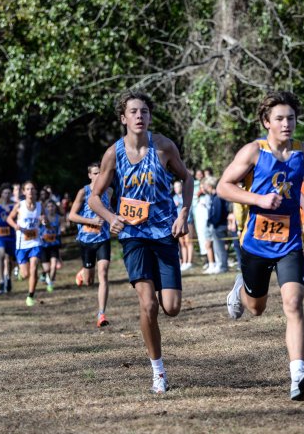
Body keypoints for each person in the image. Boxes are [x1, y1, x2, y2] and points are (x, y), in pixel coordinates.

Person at [218, 90, 304, 402]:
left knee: (293, 302)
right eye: (279, 118)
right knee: (256, 307)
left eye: (291, 117)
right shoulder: (253, 151)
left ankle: (297, 375)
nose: (286, 123)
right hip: (256, 243)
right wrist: (259, 199)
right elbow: (224, 186)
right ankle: (239, 290)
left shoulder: (303, 151)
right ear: (267, 122)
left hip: (290, 242)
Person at [88, 91, 193, 394]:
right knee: (148, 304)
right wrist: (110, 217)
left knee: (170, 307)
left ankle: (159, 359)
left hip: (164, 233)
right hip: (134, 235)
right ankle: (158, 371)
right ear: (123, 118)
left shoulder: (163, 147)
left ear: (149, 117)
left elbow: (187, 178)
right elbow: (95, 197)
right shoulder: (113, 154)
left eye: (144, 111)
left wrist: (183, 212)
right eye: (133, 111)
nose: (139, 116)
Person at [69, 162, 113, 327]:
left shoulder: (109, 191)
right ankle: (83, 273)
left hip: (103, 239)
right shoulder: (83, 192)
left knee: (104, 273)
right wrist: (91, 221)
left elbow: (111, 211)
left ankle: (101, 314)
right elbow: (72, 216)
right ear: (89, 175)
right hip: (86, 240)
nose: (98, 176)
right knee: (89, 281)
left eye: (100, 173)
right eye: (94, 173)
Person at [7, 181, 46, 307]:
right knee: (26, 274)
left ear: (35, 191)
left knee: (34, 267)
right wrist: (15, 226)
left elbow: (45, 220)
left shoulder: (40, 205)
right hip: (21, 244)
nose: (30, 191)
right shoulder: (20, 205)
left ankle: (30, 296)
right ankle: (19, 270)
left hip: (35, 242)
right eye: (28, 189)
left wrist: (44, 221)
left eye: (32, 189)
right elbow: (9, 218)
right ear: (24, 192)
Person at [0, 184, 16, 294]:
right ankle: (1, 280)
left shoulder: (14, 205)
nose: (6, 195)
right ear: (1, 193)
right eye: (5, 193)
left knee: (9, 258)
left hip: (11, 235)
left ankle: (8, 278)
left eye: (9, 193)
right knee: (1, 254)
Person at [203, 176, 230, 274]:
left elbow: (218, 213)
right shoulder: (213, 197)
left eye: (206, 185)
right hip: (216, 226)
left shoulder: (218, 197)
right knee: (217, 247)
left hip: (219, 226)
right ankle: (219, 265)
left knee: (220, 248)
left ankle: (222, 266)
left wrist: (213, 223)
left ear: (210, 186)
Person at [39, 199, 64, 292]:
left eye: (52, 206)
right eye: (48, 207)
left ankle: (51, 283)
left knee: (53, 266)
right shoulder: (42, 218)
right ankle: (44, 274)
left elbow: (62, 226)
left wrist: (62, 228)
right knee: (47, 268)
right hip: (44, 245)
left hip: (54, 244)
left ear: (55, 208)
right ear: (45, 208)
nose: (50, 208)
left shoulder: (59, 218)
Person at [173, 180, 193, 272]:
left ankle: (189, 262)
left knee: (188, 242)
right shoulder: (173, 198)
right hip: (178, 223)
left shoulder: (186, 197)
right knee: (182, 244)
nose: (176, 189)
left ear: (181, 187)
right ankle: (184, 262)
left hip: (188, 221)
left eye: (178, 186)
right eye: (175, 187)